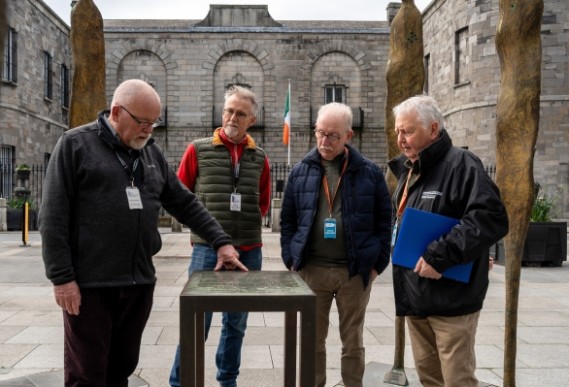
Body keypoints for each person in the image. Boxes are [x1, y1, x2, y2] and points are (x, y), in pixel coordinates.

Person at [39, 79, 244, 387]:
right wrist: (62, 278)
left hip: (138, 284)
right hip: (90, 286)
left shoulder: (150, 153)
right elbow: (52, 216)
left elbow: (184, 202)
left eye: (153, 122)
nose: (149, 129)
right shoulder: (75, 145)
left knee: (121, 368)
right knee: (87, 374)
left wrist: (221, 242)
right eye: (143, 121)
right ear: (117, 112)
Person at [388, 95, 509, 387]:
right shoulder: (408, 170)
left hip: (452, 301)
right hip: (416, 297)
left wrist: (441, 255)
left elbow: (490, 217)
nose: (401, 140)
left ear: (433, 129)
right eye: (398, 132)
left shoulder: (462, 164)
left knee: (457, 380)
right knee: (430, 380)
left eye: (408, 131)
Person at [280, 102, 392, 387]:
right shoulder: (300, 172)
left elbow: (384, 222)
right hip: (311, 271)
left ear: (348, 136)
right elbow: (289, 221)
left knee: (352, 342)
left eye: (332, 135)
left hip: (353, 273)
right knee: (312, 341)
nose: (324, 141)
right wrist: (291, 260)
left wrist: (376, 265)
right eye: (320, 133)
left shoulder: (370, 173)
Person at [169, 85, 271, 387]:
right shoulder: (198, 149)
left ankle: (227, 381)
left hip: (249, 249)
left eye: (241, 113)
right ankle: (180, 382)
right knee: (197, 321)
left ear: (251, 119)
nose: (232, 117)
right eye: (229, 110)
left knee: (236, 324)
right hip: (206, 250)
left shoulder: (260, 157)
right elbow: (179, 195)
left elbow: (262, 201)